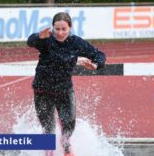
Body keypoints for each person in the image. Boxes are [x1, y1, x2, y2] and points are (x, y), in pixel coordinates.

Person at [27, 12, 105, 156]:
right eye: (57, 29)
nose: (60, 33)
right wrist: (38, 36)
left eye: (64, 29)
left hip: (64, 90)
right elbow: (30, 42)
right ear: (53, 28)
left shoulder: (76, 43)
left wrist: (96, 65)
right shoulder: (46, 39)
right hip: (42, 90)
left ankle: (66, 144)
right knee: (48, 127)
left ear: (70, 28)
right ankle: (49, 151)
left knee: (69, 124)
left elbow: (99, 55)